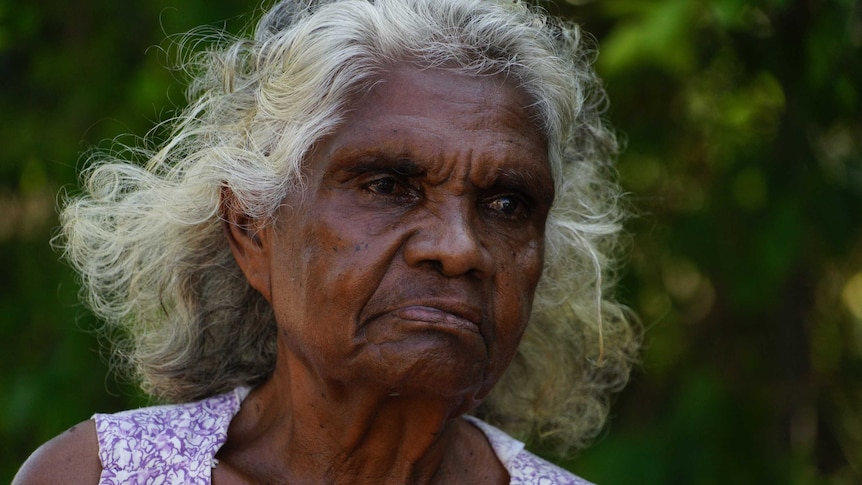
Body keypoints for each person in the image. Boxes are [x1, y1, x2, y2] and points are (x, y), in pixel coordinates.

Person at [14, 0, 639, 483]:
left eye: (508, 204)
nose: (459, 248)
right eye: (389, 185)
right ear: (252, 229)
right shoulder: (98, 476)